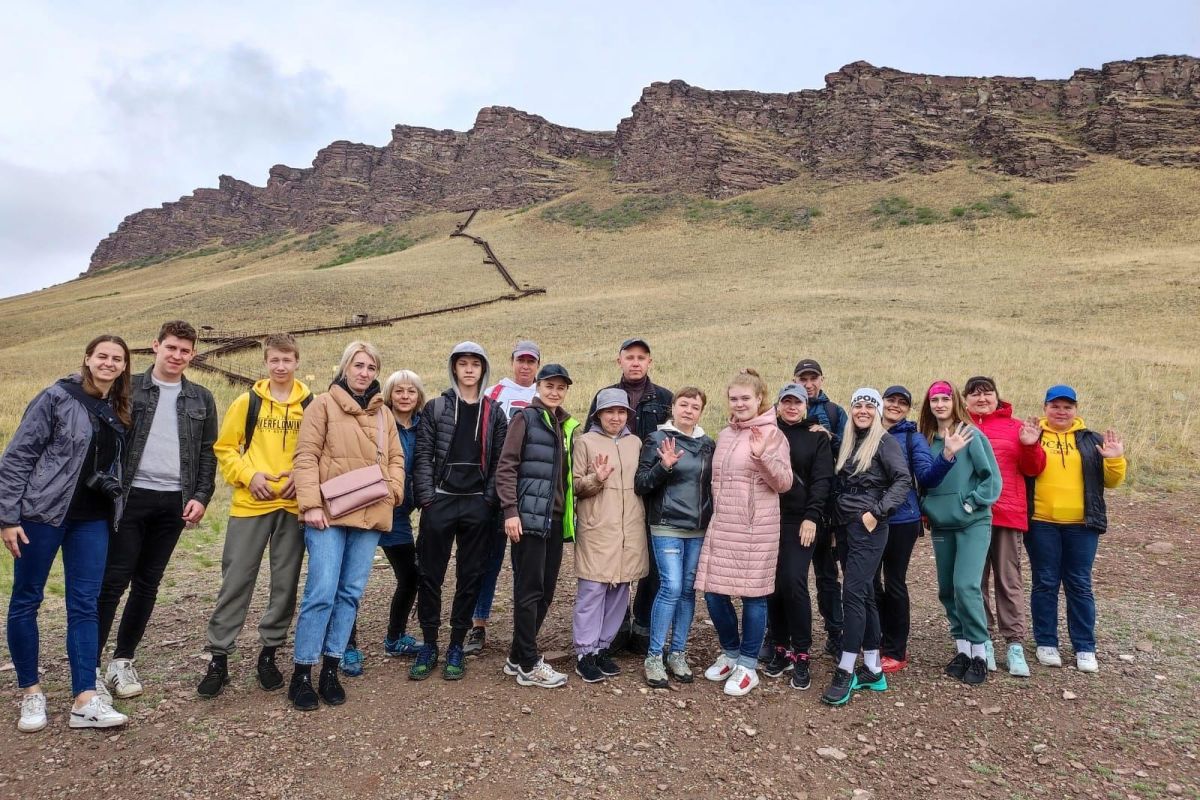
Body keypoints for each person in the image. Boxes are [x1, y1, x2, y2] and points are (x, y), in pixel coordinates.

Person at [2, 336, 132, 732]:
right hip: (42, 514)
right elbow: (18, 456)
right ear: (88, 359)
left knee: (84, 604)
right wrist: (8, 517)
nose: (108, 363)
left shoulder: (119, 407)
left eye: (117, 359)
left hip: (91, 519)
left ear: (125, 366)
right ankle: (30, 692)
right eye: (102, 356)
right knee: (27, 599)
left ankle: (84, 699)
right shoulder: (57, 397)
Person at [98, 320, 217, 700]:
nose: (177, 356)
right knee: (114, 581)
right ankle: (90, 665)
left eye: (185, 350)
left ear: (192, 354)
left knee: (148, 583)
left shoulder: (201, 398)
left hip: (174, 502)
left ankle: (122, 661)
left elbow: (207, 454)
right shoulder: (127, 389)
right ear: (156, 347)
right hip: (130, 497)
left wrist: (201, 495)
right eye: (171, 348)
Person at [287, 341, 405, 710]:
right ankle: (303, 672)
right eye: (358, 365)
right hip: (327, 512)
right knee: (321, 592)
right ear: (345, 367)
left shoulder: (384, 414)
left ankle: (331, 670)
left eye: (370, 367)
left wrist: (395, 492)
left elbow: (397, 458)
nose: (364, 372)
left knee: (350, 593)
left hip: (370, 514)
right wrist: (309, 504)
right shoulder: (322, 405)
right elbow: (305, 456)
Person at [198, 334, 312, 698]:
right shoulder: (247, 403)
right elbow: (225, 448)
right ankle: (219, 658)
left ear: (297, 362)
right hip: (250, 504)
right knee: (236, 580)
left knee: (285, 584)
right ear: (266, 362)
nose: (280, 367)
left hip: (292, 507)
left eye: (287, 360)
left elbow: (319, 449)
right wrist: (250, 476)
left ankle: (269, 653)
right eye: (274, 360)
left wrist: (301, 476)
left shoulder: (310, 404)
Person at [410, 342, 507, 681]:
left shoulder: (494, 412)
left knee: (471, 575)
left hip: (477, 502)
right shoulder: (436, 408)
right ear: (454, 368)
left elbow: (500, 460)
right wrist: (427, 498)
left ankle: (455, 643)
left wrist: (489, 500)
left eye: (475, 364)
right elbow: (422, 456)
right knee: (430, 574)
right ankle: (429, 643)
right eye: (462, 363)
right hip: (441, 499)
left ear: (483, 370)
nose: (468, 369)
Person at [695, 369, 792, 697]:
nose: (739, 404)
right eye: (734, 399)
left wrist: (762, 454)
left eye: (745, 398)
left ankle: (748, 665)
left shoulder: (774, 435)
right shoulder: (724, 434)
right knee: (712, 592)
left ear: (760, 399)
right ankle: (731, 652)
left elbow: (783, 483)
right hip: (723, 524)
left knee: (753, 596)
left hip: (755, 528)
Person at [1027, 384, 1126, 674]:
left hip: (1083, 525)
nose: (1061, 411)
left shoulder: (1091, 439)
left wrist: (1115, 458)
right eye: (1055, 406)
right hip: (1041, 522)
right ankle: (1046, 642)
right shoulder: (1034, 436)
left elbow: (1112, 482)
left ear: (1075, 410)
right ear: (1045, 407)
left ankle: (1085, 646)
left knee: (1079, 584)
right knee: (1045, 582)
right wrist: (1027, 445)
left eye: (1067, 407)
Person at [821, 388, 911, 707]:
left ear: (876, 410)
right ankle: (873, 668)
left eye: (868, 405)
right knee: (866, 595)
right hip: (846, 526)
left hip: (869, 526)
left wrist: (877, 512)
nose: (862, 410)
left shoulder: (884, 442)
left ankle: (846, 668)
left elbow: (903, 480)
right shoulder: (848, 441)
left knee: (853, 595)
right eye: (858, 404)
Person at [587, 338, 673, 654]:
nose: (635, 362)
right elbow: (589, 438)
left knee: (651, 559)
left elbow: (674, 439)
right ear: (619, 360)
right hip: (612, 487)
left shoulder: (664, 398)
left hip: (652, 488)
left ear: (649, 362)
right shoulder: (605, 395)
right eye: (629, 357)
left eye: (641, 357)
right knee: (616, 554)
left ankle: (642, 626)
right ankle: (618, 625)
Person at [496, 364, 579, 688]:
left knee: (545, 591)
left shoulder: (565, 425)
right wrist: (510, 511)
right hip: (528, 519)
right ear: (538, 386)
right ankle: (530, 663)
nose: (555, 391)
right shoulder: (525, 419)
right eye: (550, 385)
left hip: (556, 518)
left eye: (561, 387)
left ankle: (518, 656)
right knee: (528, 591)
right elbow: (507, 467)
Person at [340, 369, 427, 676]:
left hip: (400, 513)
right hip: (368, 506)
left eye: (411, 391)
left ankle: (395, 636)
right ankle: (346, 645)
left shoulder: (422, 426)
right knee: (352, 580)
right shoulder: (377, 419)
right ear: (390, 394)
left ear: (419, 396)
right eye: (399, 391)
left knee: (410, 575)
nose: (405, 397)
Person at [918, 381, 1001, 687]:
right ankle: (962, 650)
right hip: (942, 524)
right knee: (947, 589)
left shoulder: (970, 434)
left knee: (966, 586)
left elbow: (990, 477)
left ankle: (980, 652)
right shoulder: (926, 440)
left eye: (944, 398)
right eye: (934, 399)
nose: (940, 404)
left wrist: (971, 503)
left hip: (972, 522)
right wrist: (927, 506)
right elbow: (923, 480)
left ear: (954, 401)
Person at [963, 375, 1046, 677]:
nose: (981, 398)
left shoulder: (1017, 427)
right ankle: (981, 638)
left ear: (997, 397)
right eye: (974, 394)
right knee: (974, 580)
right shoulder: (960, 427)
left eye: (987, 393)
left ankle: (1014, 644)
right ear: (966, 399)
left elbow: (1033, 469)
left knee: (1008, 578)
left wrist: (1030, 446)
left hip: (1006, 514)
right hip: (970, 516)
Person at [635, 388, 715, 688]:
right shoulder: (657, 439)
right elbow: (641, 484)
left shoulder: (708, 444)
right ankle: (654, 655)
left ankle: (677, 652)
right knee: (671, 586)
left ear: (701, 411)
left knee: (687, 591)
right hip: (666, 525)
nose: (689, 410)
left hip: (697, 528)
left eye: (695, 406)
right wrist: (664, 466)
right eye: (684, 404)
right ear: (673, 407)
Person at [467, 340, 541, 656]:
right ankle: (478, 623)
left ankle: (523, 632)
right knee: (489, 560)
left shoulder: (544, 393)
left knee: (526, 565)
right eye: (520, 361)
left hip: (531, 488)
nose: (525, 366)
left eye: (531, 362)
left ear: (537, 365)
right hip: (497, 485)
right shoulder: (495, 392)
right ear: (512, 362)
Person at [572, 389, 650, 683]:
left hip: (629, 528)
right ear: (598, 415)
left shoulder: (636, 443)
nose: (615, 418)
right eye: (609, 412)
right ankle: (585, 652)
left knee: (620, 590)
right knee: (593, 590)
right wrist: (597, 479)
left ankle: (603, 648)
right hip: (597, 527)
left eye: (621, 412)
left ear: (628, 415)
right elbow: (576, 487)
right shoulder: (585, 442)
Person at [875, 385, 953, 674]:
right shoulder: (864, 428)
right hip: (867, 519)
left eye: (901, 403)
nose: (895, 405)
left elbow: (926, 477)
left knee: (894, 582)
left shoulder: (912, 437)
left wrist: (946, 457)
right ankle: (875, 638)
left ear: (908, 408)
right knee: (869, 582)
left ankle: (895, 649)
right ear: (881, 402)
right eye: (890, 400)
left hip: (901, 520)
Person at [763, 384, 833, 691]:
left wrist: (812, 516)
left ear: (806, 405)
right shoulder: (767, 431)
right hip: (767, 517)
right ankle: (780, 647)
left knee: (793, 580)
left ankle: (802, 652)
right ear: (778, 405)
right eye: (787, 402)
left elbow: (822, 480)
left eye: (797, 402)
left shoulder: (817, 436)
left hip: (800, 518)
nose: (792, 407)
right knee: (772, 584)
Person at [793, 358, 845, 658]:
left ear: (821, 380)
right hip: (791, 508)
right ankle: (784, 633)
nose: (808, 384)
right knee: (788, 574)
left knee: (827, 575)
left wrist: (831, 439)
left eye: (813, 379)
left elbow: (849, 451)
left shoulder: (834, 412)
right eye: (803, 379)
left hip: (826, 506)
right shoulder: (784, 409)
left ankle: (835, 633)